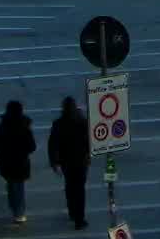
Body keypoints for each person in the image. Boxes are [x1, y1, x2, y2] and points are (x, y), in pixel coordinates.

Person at [48, 96, 90, 229]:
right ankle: (79, 218)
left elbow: (53, 144)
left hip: (66, 161)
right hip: (80, 160)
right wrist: (88, 155)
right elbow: (88, 140)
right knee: (80, 189)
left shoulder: (59, 123)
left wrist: (54, 162)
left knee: (70, 186)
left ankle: (72, 211)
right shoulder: (82, 121)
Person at [0, 100, 36, 224]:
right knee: (19, 186)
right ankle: (19, 212)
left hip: (5, 161)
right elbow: (32, 146)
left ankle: (14, 208)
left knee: (11, 184)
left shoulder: (2, 126)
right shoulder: (25, 127)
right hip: (21, 161)